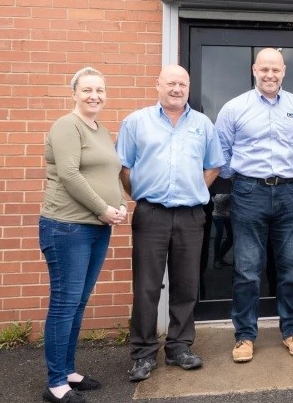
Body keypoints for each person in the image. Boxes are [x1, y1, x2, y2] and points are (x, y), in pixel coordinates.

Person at [117, 65, 224, 382]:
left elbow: (213, 166)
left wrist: (195, 190)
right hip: (151, 214)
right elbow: (124, 167)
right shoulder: (136, 122)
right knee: (146, 286)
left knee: (187, 285)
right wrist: (140, 194)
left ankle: (179, 348)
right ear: (158, 85)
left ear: (188, 87)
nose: (177, 89)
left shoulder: (202, 124)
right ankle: (143, 353)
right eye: (171, 83)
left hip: (191, 215)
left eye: (182, 84)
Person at [215, 48, 293, 363]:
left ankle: (292, 331)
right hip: (249, 191)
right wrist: (243, 179)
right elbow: (221, 153)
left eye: (276, 69)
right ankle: (245, 336)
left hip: (290, 192)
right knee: (247, 270)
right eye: (264, 69)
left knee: (292, 268)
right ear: (254, 70)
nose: (270, 75)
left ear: (284, 71)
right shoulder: (234, 108)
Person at [39, 67, 127, 403]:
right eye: (87, 89)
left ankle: (67, 371)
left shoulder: (101, 130)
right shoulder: (67, 125)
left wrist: (120, 205)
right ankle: (55, 383)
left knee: (78, 301)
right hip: (67, 227)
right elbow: (69, 174)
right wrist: (104, 209)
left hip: (96, 228)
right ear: (74, 93)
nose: (94, 96)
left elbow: (111, 173)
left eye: (100, 90)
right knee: (65, 302)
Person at [211, 193, 233, 268]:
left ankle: (220, 258)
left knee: (231, 237)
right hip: (218, 214)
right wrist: (230, 194)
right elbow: (217, 200)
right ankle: (216, 260)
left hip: (228, 214)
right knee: (219, 233)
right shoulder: (221, 187)